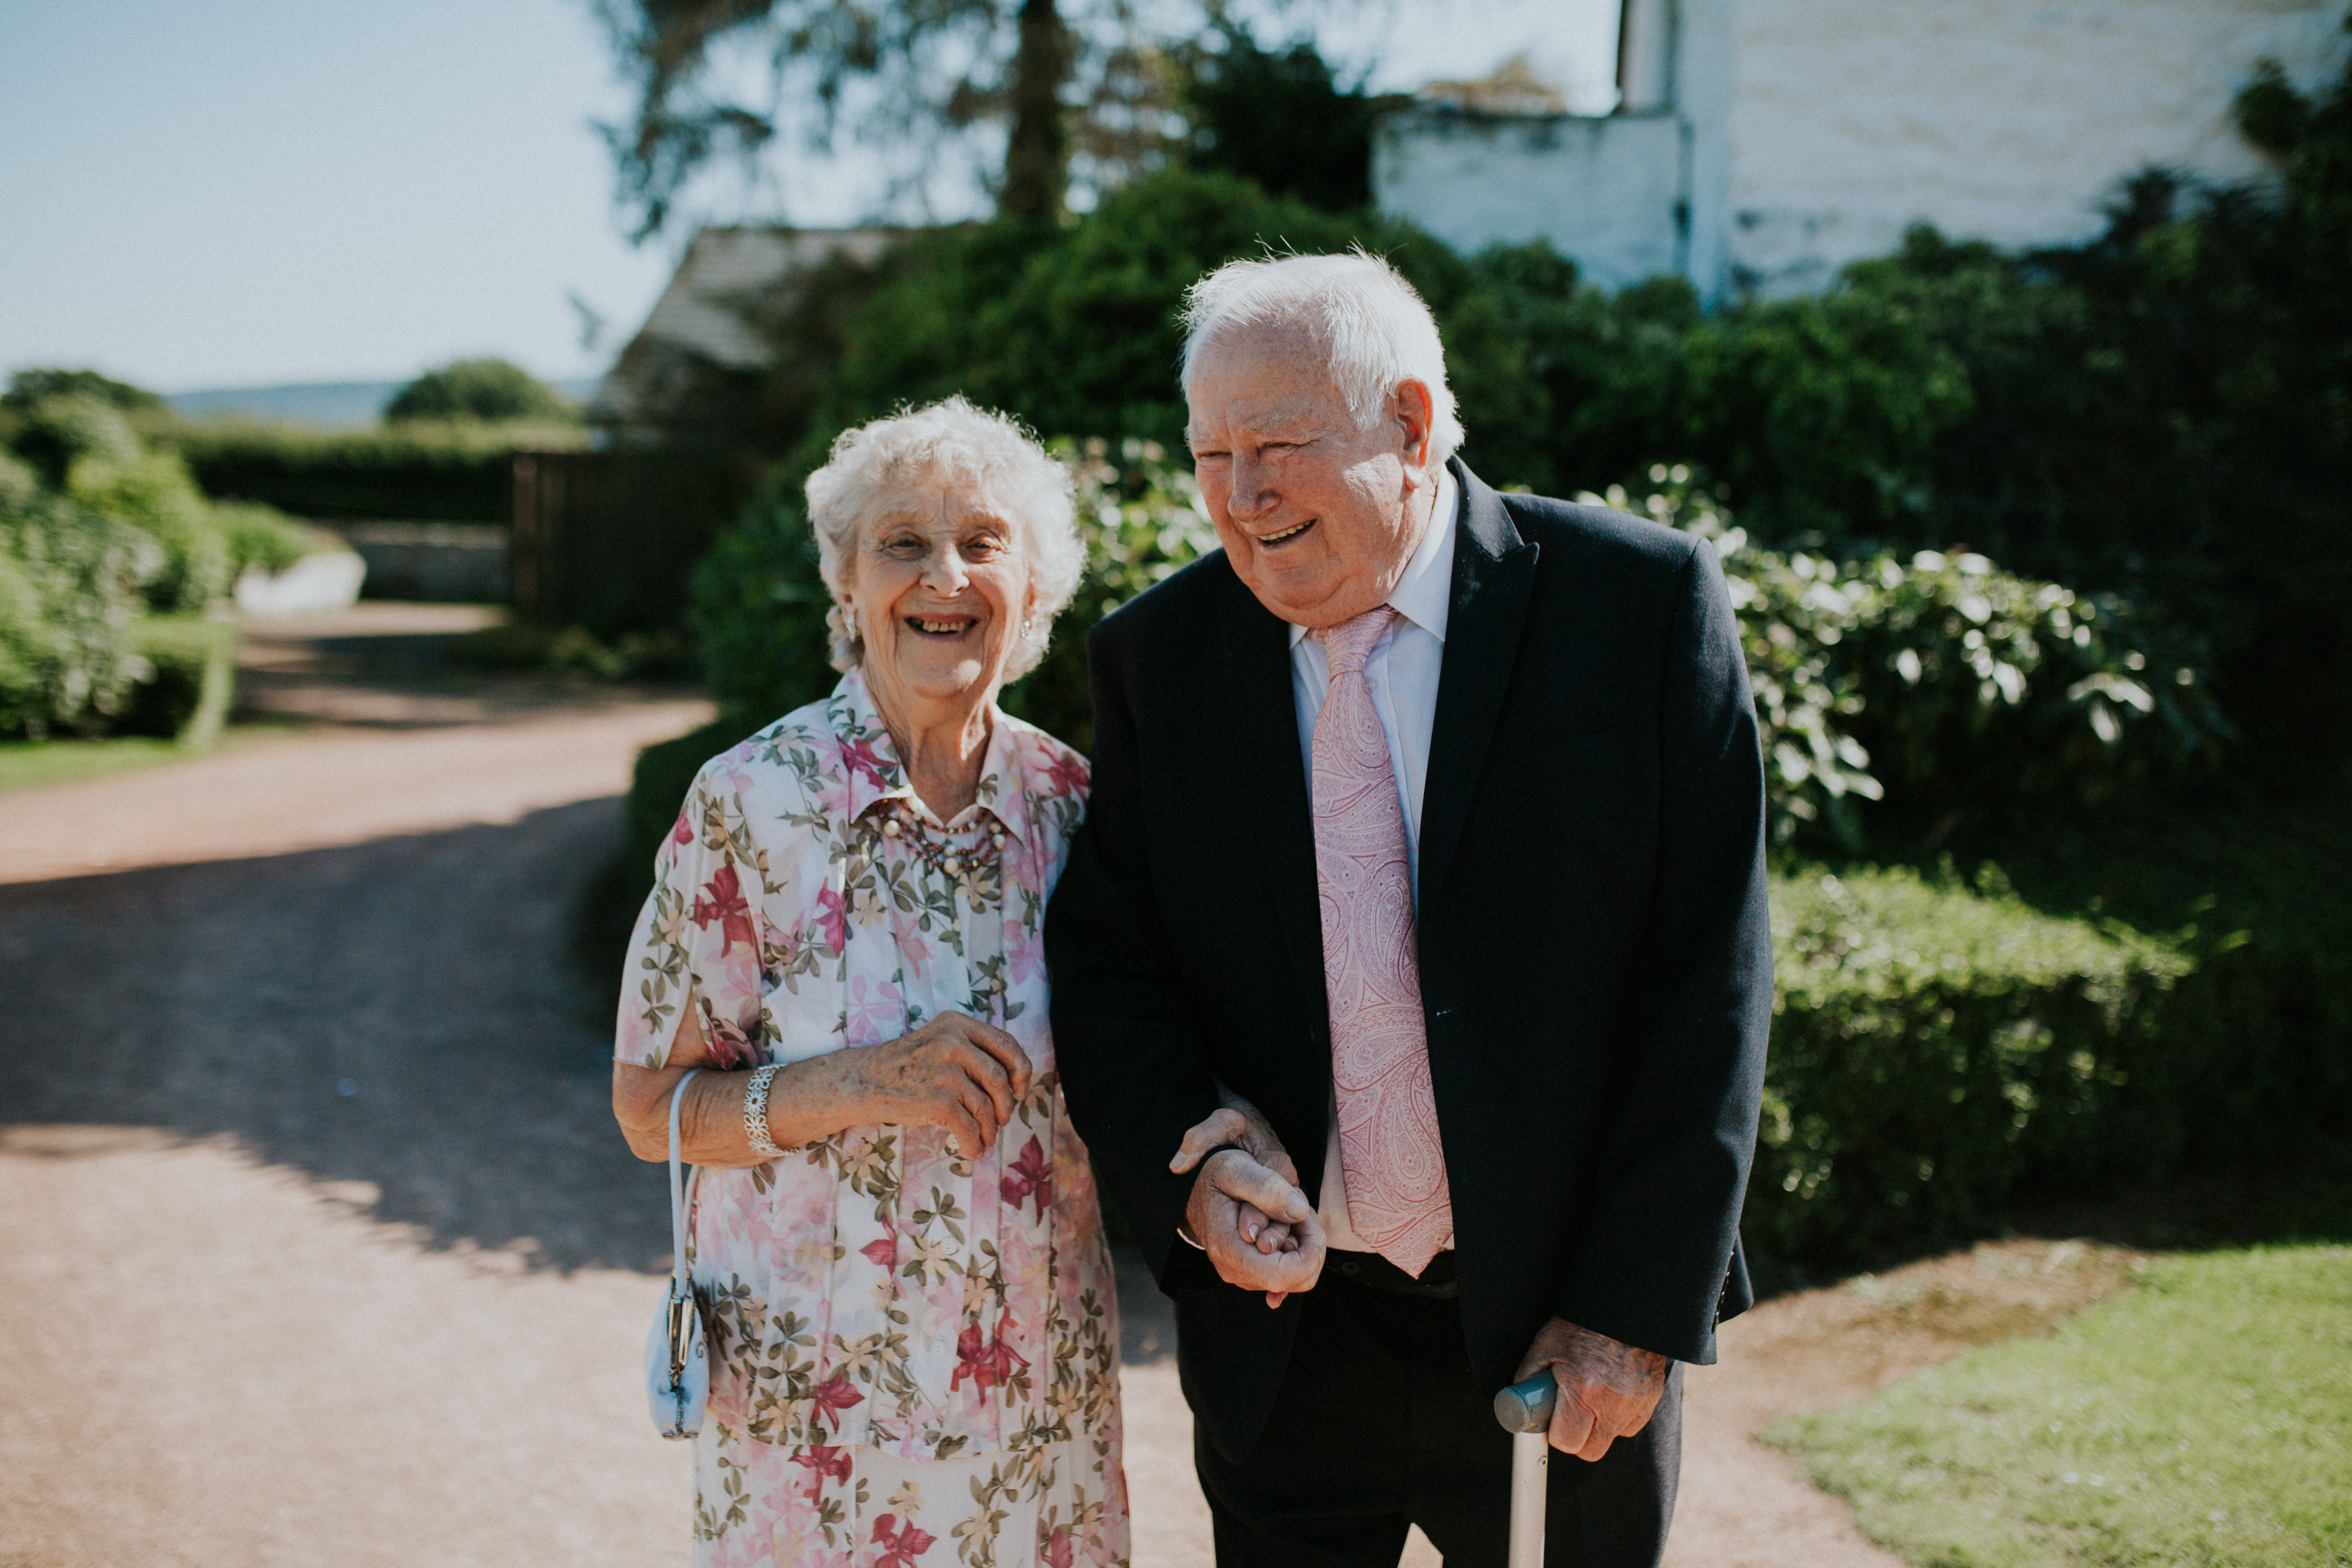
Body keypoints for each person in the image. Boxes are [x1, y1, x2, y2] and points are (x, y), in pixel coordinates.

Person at [1047, 253, 1773, 1568]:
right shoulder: (1157, 657)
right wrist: (1198, 1174)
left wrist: (1632, 1303)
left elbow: (1709, 978)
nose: (1241, 494)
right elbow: (1111, 970)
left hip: (1563, 1335)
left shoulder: (1638, 605)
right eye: (1210, 452)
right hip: (1287, 1351)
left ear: (1414, 424)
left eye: (1279, 444)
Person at [612, 397, 1127, 1568]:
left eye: (985, 542)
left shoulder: (1078, 805)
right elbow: (652, 1114)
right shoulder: (751, 807)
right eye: (903, 542)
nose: (945, 573)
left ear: (1034, 587)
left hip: (1039, 1402)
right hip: (817, 1422)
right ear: (847, 585)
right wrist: (859, 1083)